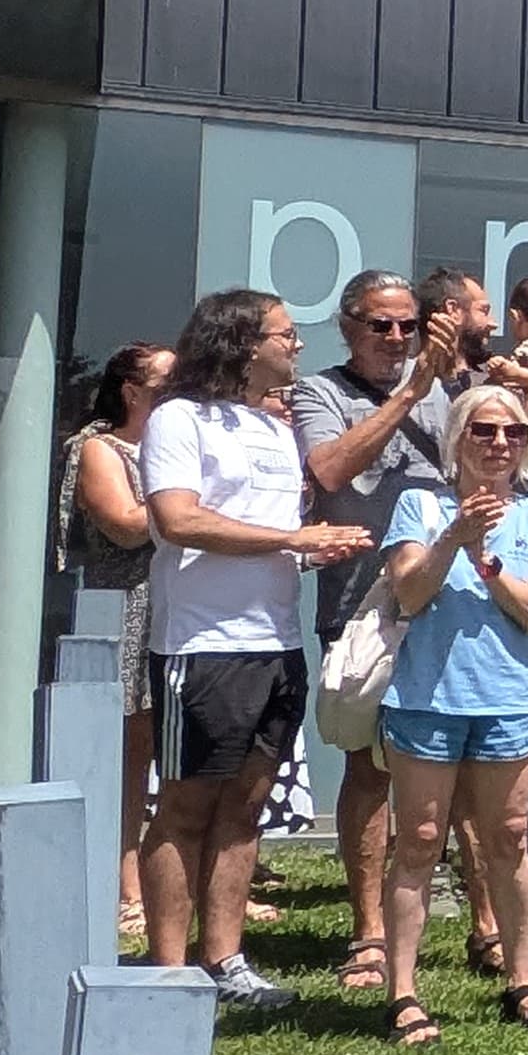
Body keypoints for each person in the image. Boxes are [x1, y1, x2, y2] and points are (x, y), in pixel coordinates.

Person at [136, 291, 375, 1001]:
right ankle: (169, 972)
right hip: (200, 643)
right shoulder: (179, 419)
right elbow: (178, 520)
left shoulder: (276, 429)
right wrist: (293, 539)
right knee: (185, 807)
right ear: (242, 343)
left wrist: (312, 550)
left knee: (246, 804)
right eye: (286, 335)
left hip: (275, 642)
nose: (297, 347)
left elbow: (270, 528)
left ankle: (226, 960)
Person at [366, 383, 528, 1046]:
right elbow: (409, 590)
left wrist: (485, 563)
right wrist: (454, 535)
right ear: (458, 440)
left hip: (508, 697)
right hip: (427, 697)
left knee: (508, 837)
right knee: (421, 840)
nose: (499, 444)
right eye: (484, 431)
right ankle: (403, 991)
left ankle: (521, 977)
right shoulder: (418, 505)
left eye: (513, 432)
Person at [296, 267, 480, 991]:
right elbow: (332, 469)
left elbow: (477, 472)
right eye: (382, 325)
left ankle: (485, 924)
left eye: (409, 325)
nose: (398, 338)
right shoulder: (322, 391)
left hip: (445, 596)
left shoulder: (446, 389)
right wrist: (411, 392)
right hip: (361, 600)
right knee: (369, 768)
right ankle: (369, 932)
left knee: (467, 761)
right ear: (348, 327)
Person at [61, 344, 168, 933]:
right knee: (129, 754)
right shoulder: (100, 448)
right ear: (132, 389)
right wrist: (187, 507)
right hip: (127, 610)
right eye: (168, 380)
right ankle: (126, 886)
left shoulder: (185, 445)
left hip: (182, 607)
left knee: (178, 756)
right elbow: (125, 527)